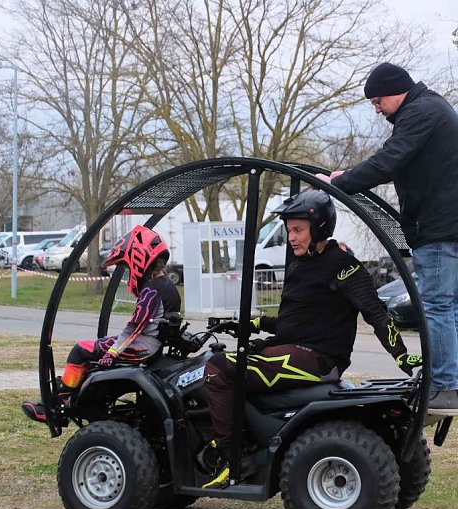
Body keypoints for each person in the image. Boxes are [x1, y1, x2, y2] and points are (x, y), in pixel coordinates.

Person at [200, 190, 421, 488]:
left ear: (319, 228)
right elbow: (300, 321)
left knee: (217, 367)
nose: (291, 237)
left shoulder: (343, 266)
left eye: (298, 230)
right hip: (298, 348)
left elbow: (376, 313)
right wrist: (253, 323)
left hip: (317, 360)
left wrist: (400, 354)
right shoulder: (302, 264)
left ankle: (233, 457)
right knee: (240, 356)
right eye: (289, 230)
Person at [315, 62, 458, 416]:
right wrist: (346, 175)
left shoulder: (420, 112)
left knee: (437, 306)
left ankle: (442, 386)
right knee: (448, 307)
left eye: (377, 101)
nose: (377, 109)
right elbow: (391, 158)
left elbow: (388, 161)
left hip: (440, 226)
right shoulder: (428, 109)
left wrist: (339, 184)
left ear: (396, 90)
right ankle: (454, 385)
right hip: (455, 223)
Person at [22, 225, 181, 423]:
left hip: (142, 346)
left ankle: (58, 407)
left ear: (139, 260)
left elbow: (134, 327)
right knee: (96, 350)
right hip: (151, 346)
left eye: (129, 266)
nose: (130, 272)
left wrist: (113, 352)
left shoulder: (151, 290)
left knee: (81, 350)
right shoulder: (167, 286)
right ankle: (69, 393)